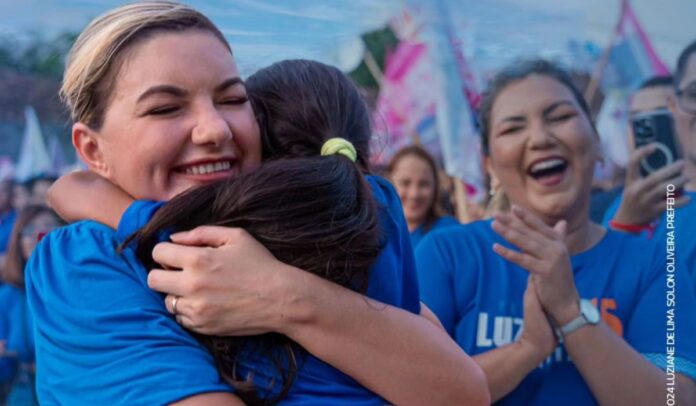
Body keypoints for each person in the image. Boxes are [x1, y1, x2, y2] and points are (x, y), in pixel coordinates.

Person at [25, 2, 487, 405]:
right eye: (166, 108)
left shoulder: (316, 227)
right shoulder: (84, 258)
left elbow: (463, 389)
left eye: (232, 99)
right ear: (92, 150)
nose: (215, 130)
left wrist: (284, 296)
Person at [416, 59, 696, 405]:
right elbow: (411, 392)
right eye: (513, 128)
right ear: (490, 166)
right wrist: (527, 349)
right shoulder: (447, 255)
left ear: (595, 142)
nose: (540, 138)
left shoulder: (655, 264)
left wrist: (570, 311)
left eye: (560, 117)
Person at [603, 42, 696, 283]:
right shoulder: (625, 207)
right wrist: (625, 227)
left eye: (655, 117)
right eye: (695, 94)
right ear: (675, 107)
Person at [0, 205, 62, 405]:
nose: (39, 235)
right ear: (18, 242)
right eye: (29, 230)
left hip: (71, 389)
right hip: (26, 392)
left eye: (48, 227)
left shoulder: (77, 289)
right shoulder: (8, 297)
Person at [386, 145, 458, 248]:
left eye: (423, 184)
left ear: (435, 187)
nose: (414, 194)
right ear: (389, 183)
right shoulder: (378, 238)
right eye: (405, 183)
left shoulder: (448, 231)